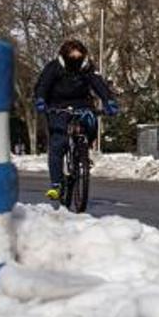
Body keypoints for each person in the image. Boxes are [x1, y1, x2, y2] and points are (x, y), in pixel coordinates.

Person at [34, 39, 119, 201]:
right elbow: (43, 85)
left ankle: (83, 151)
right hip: (57, 106)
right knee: (58, 143)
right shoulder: (54, 67)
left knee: (91, 121)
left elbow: (99, 85)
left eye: (78, 56)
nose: (76, 60)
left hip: (82, 104)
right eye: (72, 56)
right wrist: (40, 100)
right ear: (64, 56)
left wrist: (109, 101)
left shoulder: (87, 68)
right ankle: (56, 184)